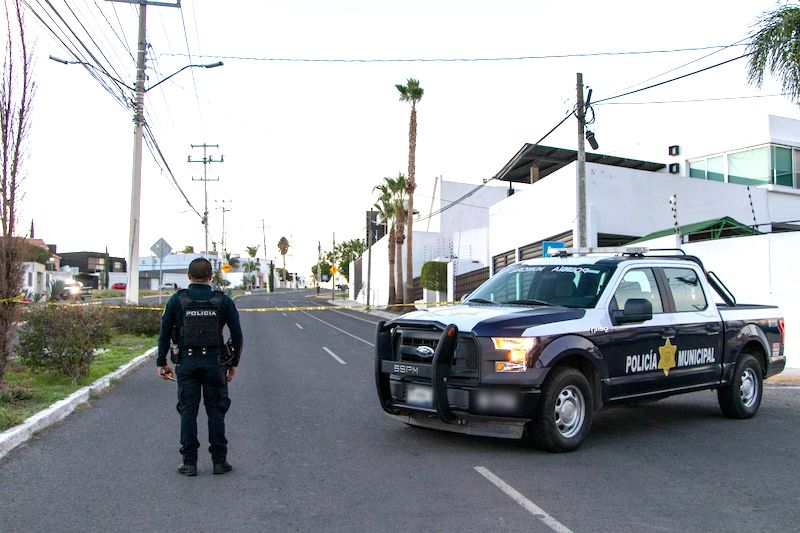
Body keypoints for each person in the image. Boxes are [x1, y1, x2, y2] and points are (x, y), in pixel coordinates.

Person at [157, 258, 243, 476]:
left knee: (188, 412)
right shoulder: (223, 301)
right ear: (211, 276)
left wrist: (162, 362)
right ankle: (219, 461)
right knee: (216, 411)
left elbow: (164, 333)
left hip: (187, 363)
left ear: (188, 276)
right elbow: (237, 336)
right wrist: (233, 363)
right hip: (215, 364)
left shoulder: (177, 300)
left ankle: (189, 463)